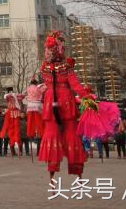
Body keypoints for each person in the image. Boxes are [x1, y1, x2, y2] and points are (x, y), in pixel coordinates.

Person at [38, 30, 92, 178]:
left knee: (51, 133)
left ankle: (52, 172)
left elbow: (46, 84)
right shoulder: (67, 65)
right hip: (66, 100)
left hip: (50, 100)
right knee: (71, 133)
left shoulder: (45, 67)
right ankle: (77, 173)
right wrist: (87, 97)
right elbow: (75, 84)